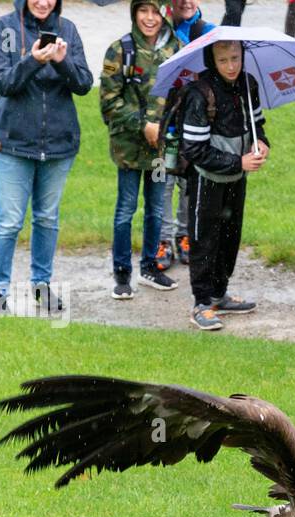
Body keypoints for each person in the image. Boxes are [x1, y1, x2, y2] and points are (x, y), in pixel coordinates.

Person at [0, 0, 92, 314]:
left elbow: (84, 83)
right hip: (13, 143)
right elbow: (4, 83)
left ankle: (41, 287)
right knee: (9, 221)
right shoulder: (3, 28)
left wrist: (62, 62)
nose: (43, 2)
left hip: (58, 144)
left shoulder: (67, 29)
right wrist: (31, 60)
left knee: (47, 218)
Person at [180, 38, 270, 330]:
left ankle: (219, 294)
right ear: (211, 61)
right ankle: (202, 302)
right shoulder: (199, 93)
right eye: (223, 60)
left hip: (236, 179)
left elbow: (258, 125)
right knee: (204, 238)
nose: (231, 66)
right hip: (206, 180)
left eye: (235, 57)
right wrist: (238, 163)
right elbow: (194, 150)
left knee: (230, 237)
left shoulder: (248, 85)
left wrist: (261, 144)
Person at [156, 0, 247, 271]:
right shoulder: (157, 29)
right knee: (161, 182)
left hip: (194, 123)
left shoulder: (207, 31)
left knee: (188, 185)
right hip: (163, 124)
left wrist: (235, 10)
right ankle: (162, 239)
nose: (185, 2)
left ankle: (184, 235)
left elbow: (229, 49)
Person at [101, 1, 181, 299]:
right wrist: (144, 124)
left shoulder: (178, 49)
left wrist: (166, 128)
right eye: (143, 11)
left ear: (164, 14)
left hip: (162, 150)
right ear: (134, 13)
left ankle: (150, 266)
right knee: (126, 209)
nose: (149, 18)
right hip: (129, 149)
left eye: (155, 12)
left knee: (157, 208)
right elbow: (109, 102)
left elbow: (183, 95)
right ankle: (122, 273)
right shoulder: (119, 50)